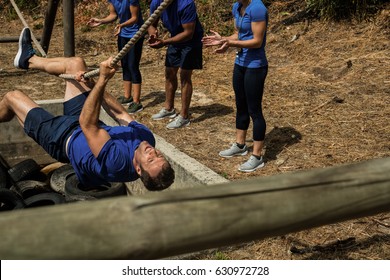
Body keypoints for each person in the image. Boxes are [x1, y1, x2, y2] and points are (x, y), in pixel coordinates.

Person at [5, 27, 174, 191]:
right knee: (76, 64)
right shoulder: (146, 139)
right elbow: (120, 113)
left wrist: (102, 79)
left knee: (12, 97)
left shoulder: (117, 163)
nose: (153, 153)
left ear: (138, 169)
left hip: (61, 139)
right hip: (83, 125)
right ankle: (28, 59)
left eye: (151, 160)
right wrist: (92, 83)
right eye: (160, 156)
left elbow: (87, 124)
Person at [202, 0, 269, 172]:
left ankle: (257, 156)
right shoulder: (237, 7)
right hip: (240, 63)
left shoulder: (258, 8)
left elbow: (257, 41)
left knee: (254, 110)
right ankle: (240, 145)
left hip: (255, 65)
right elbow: (239, 34)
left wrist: (231, 43)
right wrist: (224, 40)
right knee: (241, 105)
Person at [147, 0, 204, 129]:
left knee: (185, 75)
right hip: (174, 39)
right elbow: (151, 23)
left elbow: (188, 33)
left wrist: (164, 42)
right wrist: (153, 35)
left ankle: (184, 116)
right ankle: (169, 108)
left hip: (191, 42)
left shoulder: (186, 3)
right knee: (169, 73)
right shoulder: (157, 2)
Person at [87, 0, 145, 114]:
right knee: (125, 64)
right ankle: (127, 96)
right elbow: (113, 15)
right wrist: (101, 21)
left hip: (135, 33)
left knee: (133, 65)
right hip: (123, 33)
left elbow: (135, 18)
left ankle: (137, 102)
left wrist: (121, 25)